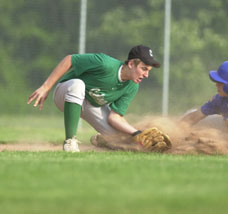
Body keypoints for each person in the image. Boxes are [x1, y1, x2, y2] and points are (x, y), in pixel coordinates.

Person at [27, 45, 161, 152]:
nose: (146, 75)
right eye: (144, 69)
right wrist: (46, 87)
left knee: (120, 139)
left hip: (92, 105)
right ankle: (70, 141)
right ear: (131, 64)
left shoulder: (132, 86)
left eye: (148, 70)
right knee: (78, 85)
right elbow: (69, 60)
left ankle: (103, 140)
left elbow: (115, 117)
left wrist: (136, 133)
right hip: (66, 94)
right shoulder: (105, 64)